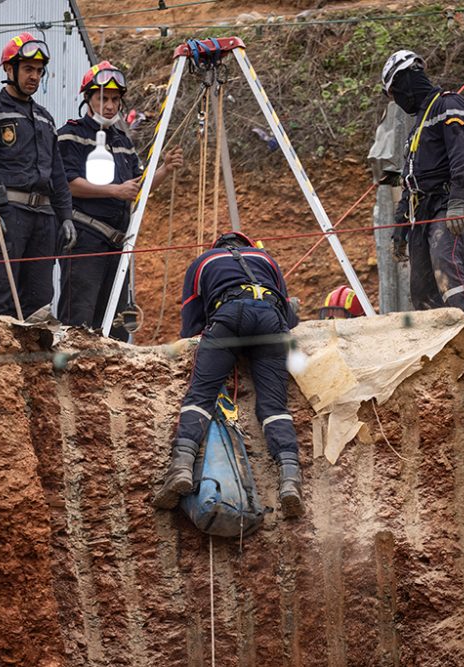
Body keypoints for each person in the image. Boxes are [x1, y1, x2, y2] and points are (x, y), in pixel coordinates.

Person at [151, 231, 304, 518]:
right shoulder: (265, 258)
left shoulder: (203, 262)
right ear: (247, 245)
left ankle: (181, 468)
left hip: (230, 315)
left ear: (217, 248)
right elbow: (287, 314)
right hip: (271, 320)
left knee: (201, 395)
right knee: (274, 406)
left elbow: (192, 324)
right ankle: (290, 479)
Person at [56, 61, 182, 339]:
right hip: (85, 239)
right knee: (80, 320)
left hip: (116, 243)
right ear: (88, 99)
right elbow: (66, 184)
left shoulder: (122, 141)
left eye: (115, 99)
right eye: (103, 98)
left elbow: (135, 187)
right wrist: (114, 191)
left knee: (115, 323)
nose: (110, 105)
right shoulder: (71, 134)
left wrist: (163, 169)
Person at [0, 32, 75, 317]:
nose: (34, 76)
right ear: (9, 69)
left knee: (40, 303)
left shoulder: (47, 119)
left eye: (39, 71)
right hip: (7, 216)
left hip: (44, 221)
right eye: (28, 69)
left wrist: (67, 216)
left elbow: (58, 176)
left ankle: (29, 362)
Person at [382, 49, 464, 316]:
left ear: (407, 79)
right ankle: (440, 348)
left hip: (448, 203)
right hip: (421, 211)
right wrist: (400, 228)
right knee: (421, 288)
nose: (397, 99)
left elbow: (463, 156)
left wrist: (458, 200)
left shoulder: (449, 105)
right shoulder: (417, 126)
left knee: (445, 263)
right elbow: (410, 181)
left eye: (395, 91)